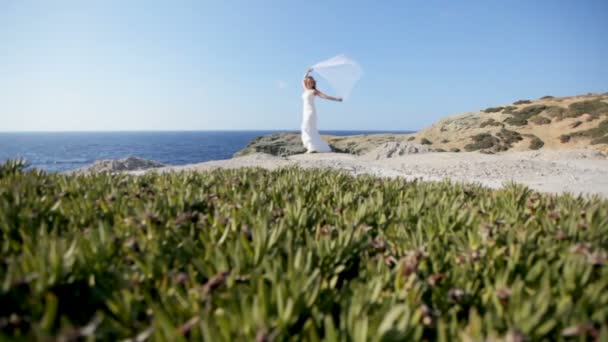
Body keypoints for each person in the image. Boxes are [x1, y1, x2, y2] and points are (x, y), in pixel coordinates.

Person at [301, 68, 342, 153]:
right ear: (307, 82)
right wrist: (308, 72)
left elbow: (325, 96)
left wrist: (336, 99)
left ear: (313, 83)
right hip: (305, 112)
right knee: (306, 128)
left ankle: (312, 148)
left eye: (312, 81)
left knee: (307, 127)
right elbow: (303, 79)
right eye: (309, 80)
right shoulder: (305, 89)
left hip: (311, 112)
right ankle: (311, 147)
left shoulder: (314, 91)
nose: (310, 82)